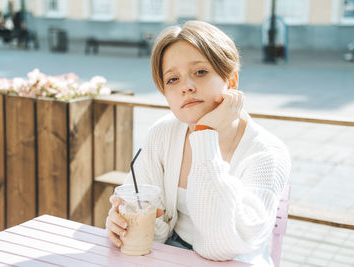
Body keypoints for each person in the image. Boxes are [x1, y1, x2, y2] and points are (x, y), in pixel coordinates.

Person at [105, 20, 291, 266]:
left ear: (231, 82)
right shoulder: (162, 133)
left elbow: (223, 247)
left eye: (200, 72)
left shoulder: (267, 154)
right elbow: (149, 221)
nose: (187, 87)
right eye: (173, 79)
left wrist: (205, 133)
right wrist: (122, 223)